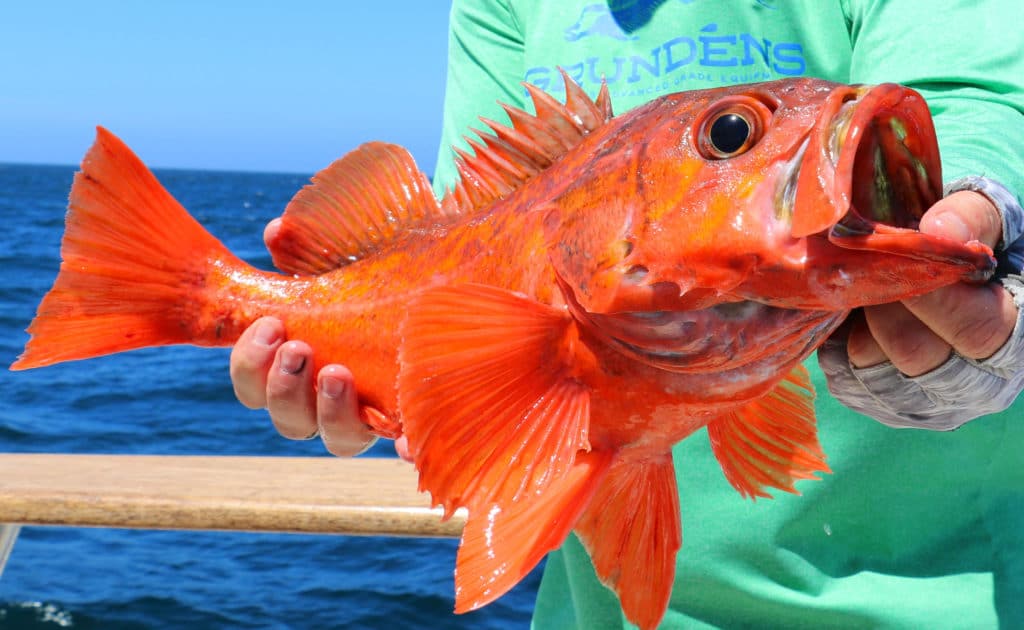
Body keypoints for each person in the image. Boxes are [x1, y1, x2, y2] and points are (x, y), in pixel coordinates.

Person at [231, 1, 1024, 627]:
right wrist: (426, 404)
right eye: (732, 135)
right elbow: (464, 240)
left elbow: (978, 92)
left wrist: (973, 207)